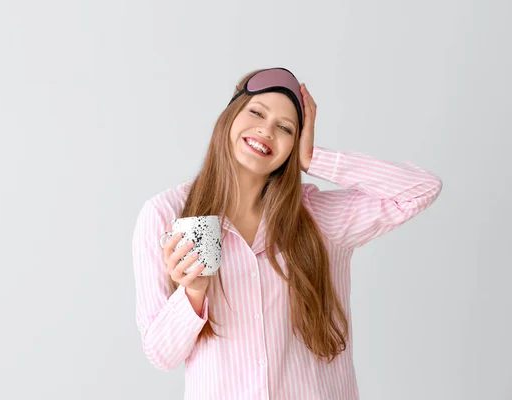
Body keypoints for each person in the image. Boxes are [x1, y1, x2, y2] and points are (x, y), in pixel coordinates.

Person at [132, 67, 443, 399]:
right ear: (230, 115)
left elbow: (421, 189)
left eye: (285, 128)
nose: (266, 130)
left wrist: (315, 158)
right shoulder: (167, 214)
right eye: (256, 112)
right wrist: (192, 294)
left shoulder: (319, 217)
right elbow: (160, 354)